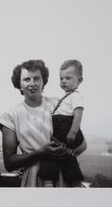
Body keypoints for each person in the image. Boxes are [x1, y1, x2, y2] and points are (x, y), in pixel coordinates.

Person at [0, 59, 86, 187]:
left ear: (43, 81)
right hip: (34, 180)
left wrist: (69, 153)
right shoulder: (10, 116)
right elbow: (9, 163)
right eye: (26, 79)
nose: (32, 83)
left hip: (64, 178)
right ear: (19, 83)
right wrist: (41, 153)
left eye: (37, 78)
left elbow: (82, 144)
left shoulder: (58, 105)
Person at [38, 59, 86, 187]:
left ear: (79, 80)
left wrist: (73, 131)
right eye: (61, 78)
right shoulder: (65, 97)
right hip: (59, 132)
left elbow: (78, 114)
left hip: (67, 130)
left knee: (68, 160)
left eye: (68, 78)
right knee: (53, 158)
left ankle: (75, 185)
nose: (64, 81)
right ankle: (48, 183)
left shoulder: (76, 96)